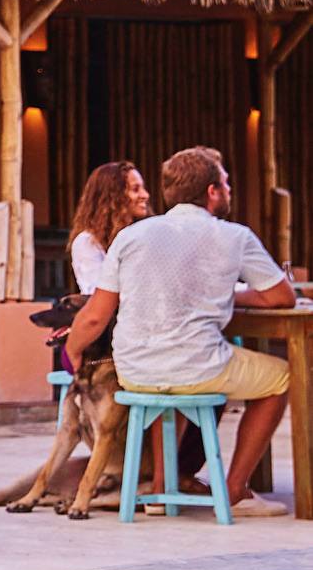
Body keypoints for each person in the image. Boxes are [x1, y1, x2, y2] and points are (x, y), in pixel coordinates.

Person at [66, 146, 295, 517]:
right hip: (195, 366)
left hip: (136, 371)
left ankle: (160, 489)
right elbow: (281, 296)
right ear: (211, 192)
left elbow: (95, 314)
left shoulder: (133, 236)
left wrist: (73, 349)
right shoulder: (234, 236)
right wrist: (225, 296)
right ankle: (235, 488)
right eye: (225, 183)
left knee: (173, 376)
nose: (229, 189)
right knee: (281, 378)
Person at [68, 160, 152, 294]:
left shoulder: (147, 234)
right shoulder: (88, 242)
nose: (145, 195)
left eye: (143, 188)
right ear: (113, 196)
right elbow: (96, 294)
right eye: (135, 189)